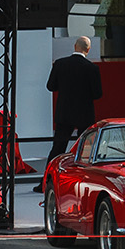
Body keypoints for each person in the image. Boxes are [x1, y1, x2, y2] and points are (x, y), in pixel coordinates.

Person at [46, 36, 103, 165]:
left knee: (58, 149)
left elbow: (50, 86)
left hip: (64, 113)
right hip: (84, 114)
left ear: (74, 46)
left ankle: (46, 180)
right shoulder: (92, 68)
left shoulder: (60, 64)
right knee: (85, 150)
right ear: (88, 50)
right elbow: (97, 94)